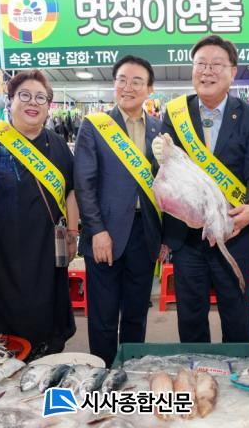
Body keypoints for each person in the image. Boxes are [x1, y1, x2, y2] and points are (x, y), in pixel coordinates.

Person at [153, 35, 249, 344]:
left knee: (237, 316)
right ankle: (197, 370)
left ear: (232, 72)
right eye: (201, 64)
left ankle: (240, 372)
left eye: (216, 64)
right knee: (190, 317)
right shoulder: (176, 113)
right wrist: (160, 157)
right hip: (187, 236)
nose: (207, 71)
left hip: (234, 230)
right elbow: (164, 170)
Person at [0, 70, 78, 360]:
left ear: (48, 106)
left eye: (40, 98)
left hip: (48, 249)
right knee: (7, 319)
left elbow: (71, 192)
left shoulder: (57, 143)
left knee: (49, 313)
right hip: (3, 250)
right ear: (10, 100)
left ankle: (46, 363)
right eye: (25, 95)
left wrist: (73, 233)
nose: (33, 103)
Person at [75, 55, 162, 366]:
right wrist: (97, 230)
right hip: (106, 233)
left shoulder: (159, 128)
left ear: (149, 89)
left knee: (137, 313)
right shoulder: (96, 125)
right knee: (104, 315)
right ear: (114, 85)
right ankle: (103, 375)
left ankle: (130, 372)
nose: (128, 87)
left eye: (137, 81)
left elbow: (164, 186)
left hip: (145, 233)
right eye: (122, 80)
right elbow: (84, 183)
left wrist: (164, 235)